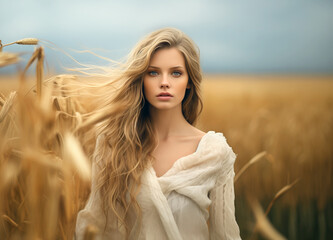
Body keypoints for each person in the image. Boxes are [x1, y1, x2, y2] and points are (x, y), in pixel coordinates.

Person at [74, 28, 241, 240]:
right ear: (141, 79)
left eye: (176, 73)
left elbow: (225, 235)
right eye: (153, 72)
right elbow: (94, 225)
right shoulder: (113, 144)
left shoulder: (215, 152)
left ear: (189, 81)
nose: (164, 82)